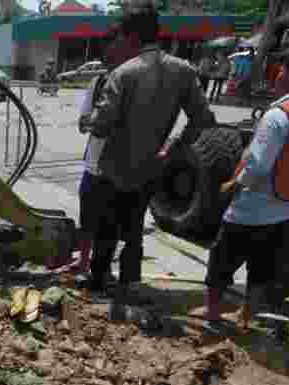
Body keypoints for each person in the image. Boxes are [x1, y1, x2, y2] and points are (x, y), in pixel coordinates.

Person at [80, 1, 215, 296]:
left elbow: (101, 126)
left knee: (107, 228)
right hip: (151, 166)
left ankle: (99, 280)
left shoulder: (123, 74)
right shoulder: (184, 70)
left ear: (130, 37)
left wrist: (90, 120)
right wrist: (173, 147)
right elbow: (203, 119)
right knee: (134, 228)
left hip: (114, 169)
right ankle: (131, 282)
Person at [203, 48, 289, 329]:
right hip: (287, 207)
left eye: (282, 70)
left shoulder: (279, 115)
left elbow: (258, 164)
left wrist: (232, 185)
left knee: (221, 261)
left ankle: (211, 313)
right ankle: (246, 316)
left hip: (253, 206)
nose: (278, 76)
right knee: (262, 267)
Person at [76, 25, 139, 274]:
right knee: (87, 221)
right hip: (93, 166)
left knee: (111, 226)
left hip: (119, 169)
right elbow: (83, 124)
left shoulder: (135, 83)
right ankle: (83, 263)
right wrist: (97, 121)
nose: (111, 58)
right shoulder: (99, 82)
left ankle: (102, 272)